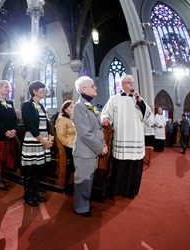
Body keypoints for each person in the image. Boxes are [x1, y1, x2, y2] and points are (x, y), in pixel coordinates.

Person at [101, 75, 153, 200]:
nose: (132, 85)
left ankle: (131, 191)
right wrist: (105, 118)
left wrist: (140, 102)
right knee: (120, 165)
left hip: (136, 137)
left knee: (134, 166)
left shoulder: (139, 100)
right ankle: (116, 190)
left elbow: (148, 115)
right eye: (129, 82)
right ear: (122, 85)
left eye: (133, 82)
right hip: (121, 136)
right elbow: (105, 112)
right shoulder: (114, 99)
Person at [72, 76, 107, 217]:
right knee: (83, 180)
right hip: (84, 151)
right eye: (92, 86)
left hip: (91, 150)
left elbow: (97, 129)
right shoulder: (79, 106)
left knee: (88, 179)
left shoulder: (89, 105)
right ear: (83, 89)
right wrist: (100, 148)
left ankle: (84, 202)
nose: (95, 87)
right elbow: (85, 133)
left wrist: (103, 143)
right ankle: (80, 206)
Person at [21, 80, 54, 207]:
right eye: (42, 89)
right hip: (33, 141)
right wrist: (44, 141)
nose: (45, 91)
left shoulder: (41, 105)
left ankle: (36, 191)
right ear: (35, 91)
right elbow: (30, 126)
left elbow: (47, 124)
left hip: (43, 142)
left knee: (38, 169)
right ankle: (27, 194)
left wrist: (50, 140)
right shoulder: (27, 105)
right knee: (30, 170)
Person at [55, 100, 76, 193]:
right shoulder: (61, 119)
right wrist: (73, 145)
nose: (73, 108)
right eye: (71, 107)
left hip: (74, 145)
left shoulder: (71, 119)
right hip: (67, 147)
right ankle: (67, 184)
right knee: (76, 161)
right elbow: (61, 137)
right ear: (65, 109)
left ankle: (74, 183)